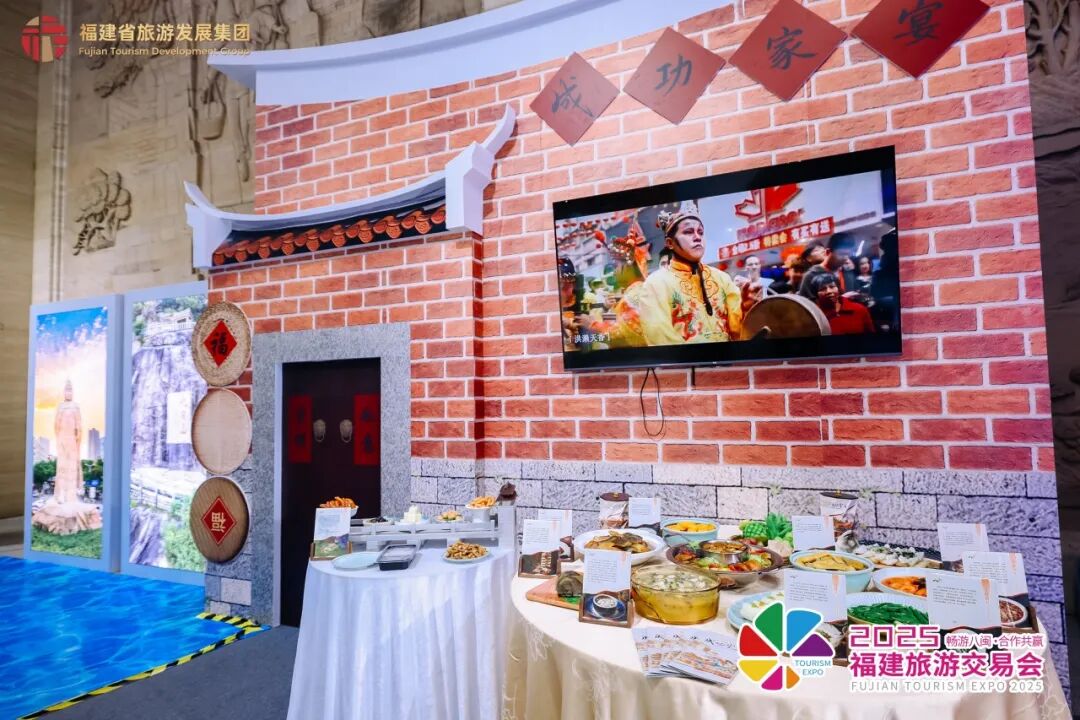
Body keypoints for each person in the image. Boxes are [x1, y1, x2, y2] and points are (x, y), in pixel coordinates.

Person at [623, 200, 756, 345]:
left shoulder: (722, 278)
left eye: (700, 232)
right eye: (688, 232)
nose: (697, 237)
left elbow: (738, 333)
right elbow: (661, 339)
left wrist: (747, 308)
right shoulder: (656, 284)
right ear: (670, 243)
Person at [808, 272, 875, 335]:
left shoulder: (859, 309)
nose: (829, 291)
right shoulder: (814, 317)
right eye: (822, 289)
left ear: (838, 288)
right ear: (816, 294)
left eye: (832, 287)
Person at [52, 379, 84, 505]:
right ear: (63, 392)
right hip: (62, 439)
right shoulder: (60, 406)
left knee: (71, 467)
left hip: (72, 441)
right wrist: (59, 439)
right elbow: (56, 425)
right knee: (61, 467)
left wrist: (77, 440)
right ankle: (60, 494)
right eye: (66, 390)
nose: (68, 393)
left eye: (70, 390)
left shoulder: (76, 406)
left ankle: (71, 496)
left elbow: (79, 426)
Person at [799, 233, 858, 298]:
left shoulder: (848, 271)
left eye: (848, 254)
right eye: (841, 254)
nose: (845, 258)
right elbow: (805, 303)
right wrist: (842, 299)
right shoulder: (811, 275)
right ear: (827, 252)